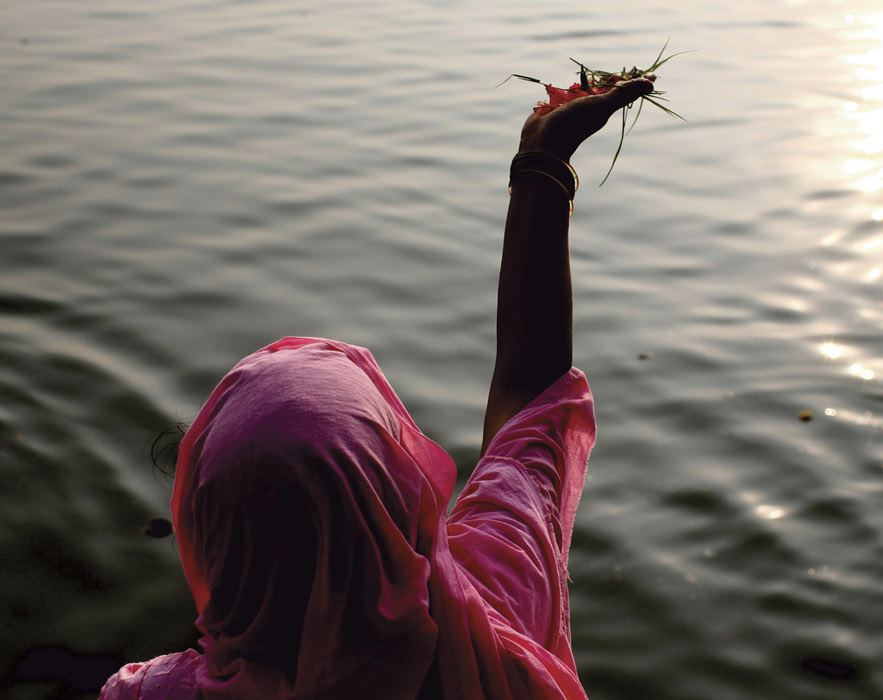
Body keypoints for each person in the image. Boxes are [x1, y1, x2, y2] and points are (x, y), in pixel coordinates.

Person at [99, 78, 656, 700]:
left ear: (212, 535)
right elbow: (534, 393)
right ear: (404, 510)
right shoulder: (498, 616)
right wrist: (543, 161)